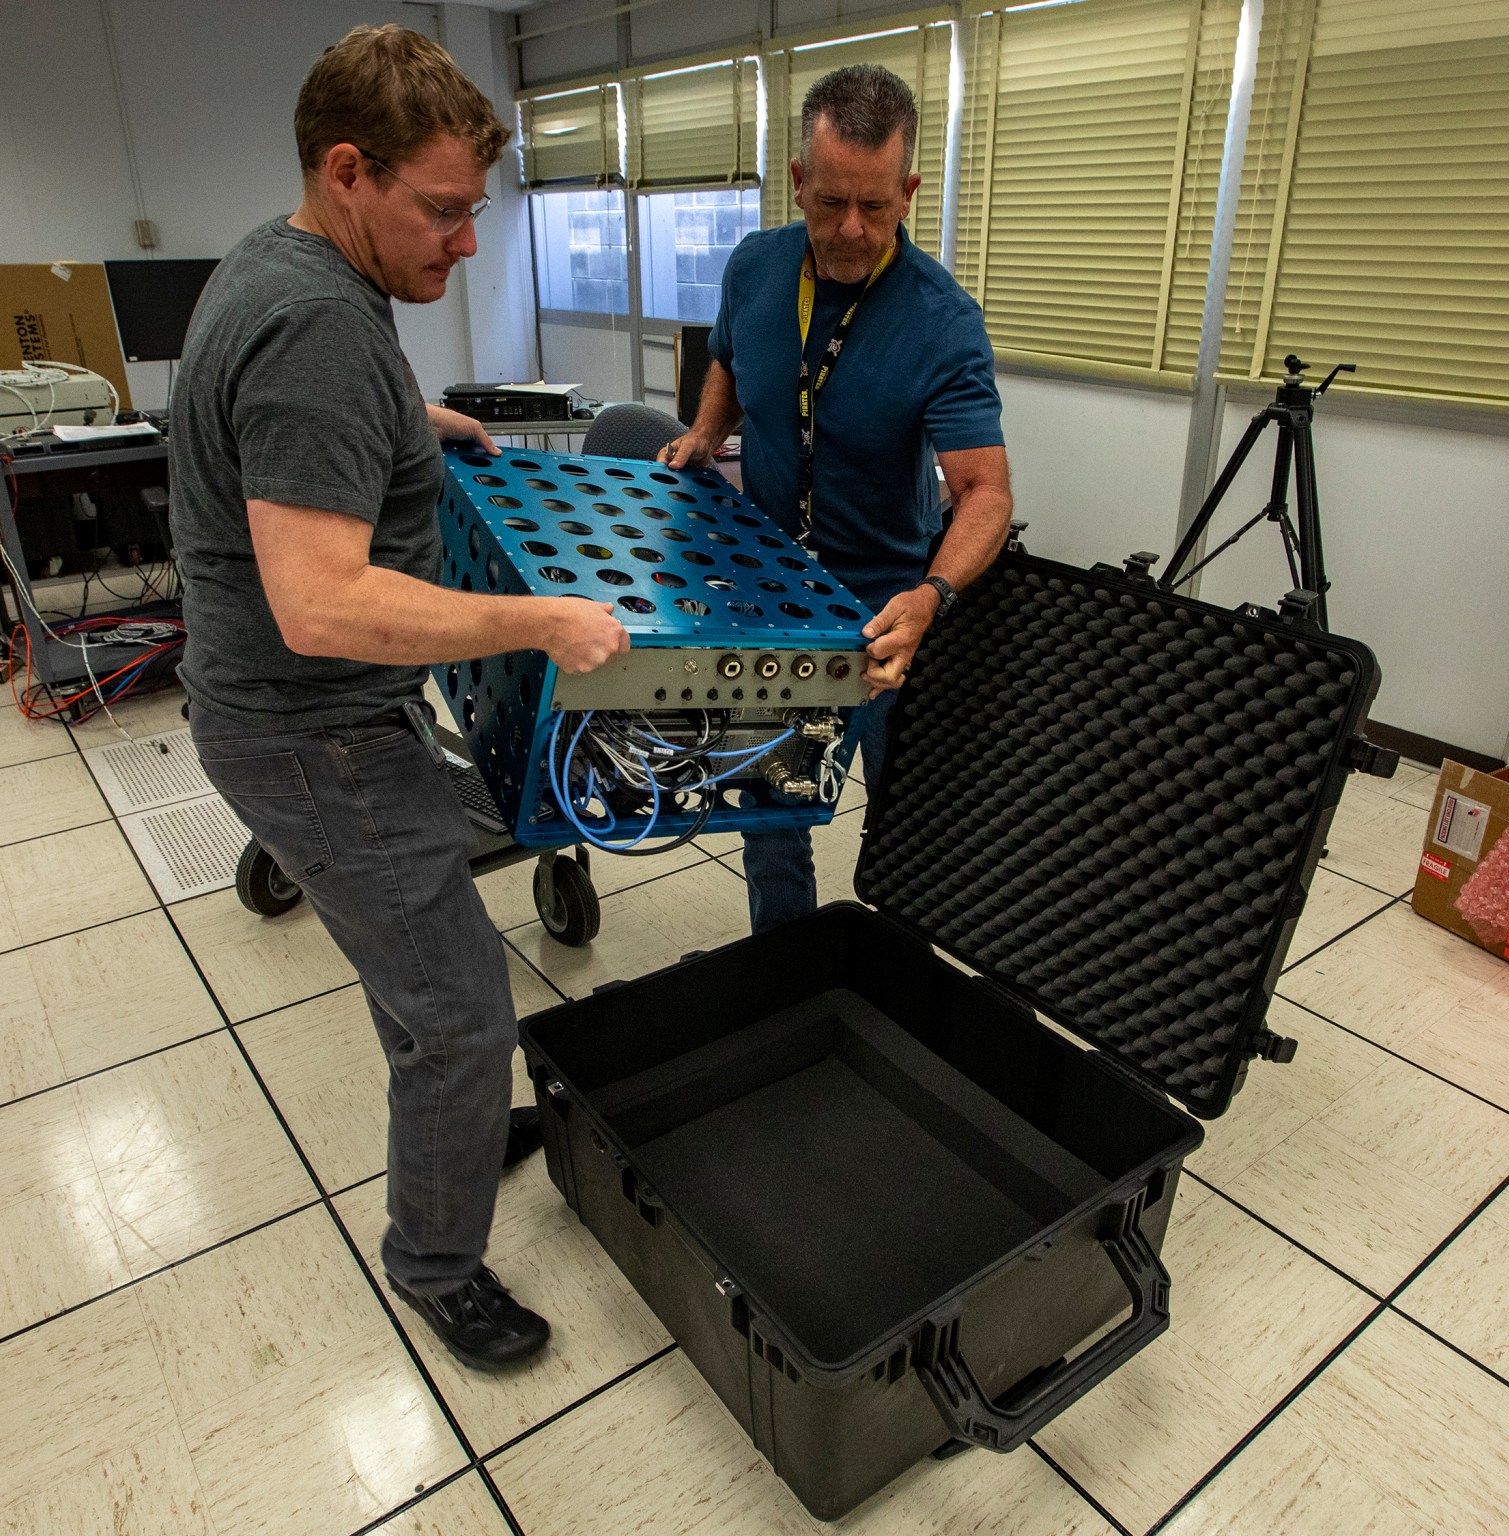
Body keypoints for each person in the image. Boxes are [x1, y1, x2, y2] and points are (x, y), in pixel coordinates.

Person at [168, 25, 628, 1370]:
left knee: (421, 950)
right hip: (314, 733)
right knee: (465, 1011)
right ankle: (437, 1261)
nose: (465, 242)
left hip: (303, 717)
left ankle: (468, 1129)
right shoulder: (317, 320)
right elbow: (321, 601)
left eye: (475, 212)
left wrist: (416, 423)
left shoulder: (284, 263)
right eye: (442, 211)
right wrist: (544, 618)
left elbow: (288, 417)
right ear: (350, 172)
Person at [659, 64, 1013, 932]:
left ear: (909, 190)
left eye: (876, 206)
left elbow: (986, 494)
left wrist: (932, 598)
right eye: (829, 205)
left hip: (886, 604)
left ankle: (901, 965)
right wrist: (708, 430)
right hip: (770, 588)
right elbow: (733, 361)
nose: (851, 231)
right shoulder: (754, 266)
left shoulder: (943, 322)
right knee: (771, 808)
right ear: (798, 183)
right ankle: (787, 969)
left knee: (909, 819)